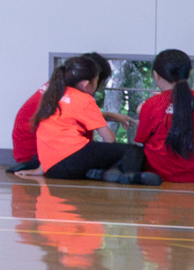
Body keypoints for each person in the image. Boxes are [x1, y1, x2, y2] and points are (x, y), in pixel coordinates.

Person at [32, 57, 155, 185]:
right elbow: (110, 139)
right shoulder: (84, 99)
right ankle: (129, 178)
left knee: (95, 153)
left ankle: (100, 174)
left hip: (52, 169)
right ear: (86, 84)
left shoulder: (53, 95)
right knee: (133, 151)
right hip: (72, 160)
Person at [136, 49, 194, 186]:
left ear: (156, 75)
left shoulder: (152, 104)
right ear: (188, 73)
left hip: (158, 175)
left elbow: (141, 138)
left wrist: (141, 112)